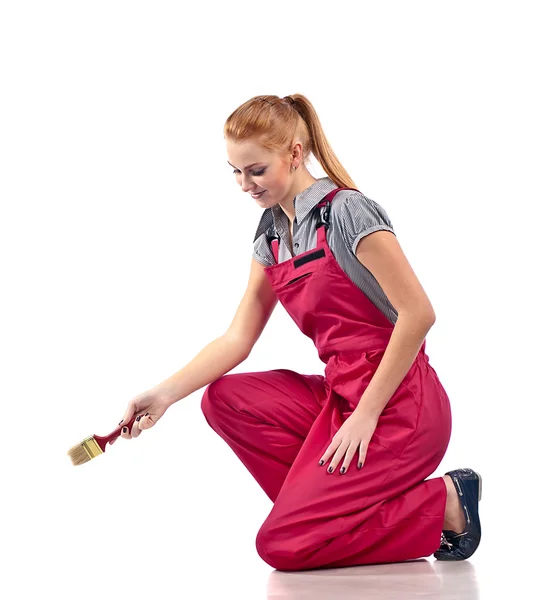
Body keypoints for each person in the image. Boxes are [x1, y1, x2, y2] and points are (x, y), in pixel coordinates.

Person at [112, 94, 482, 569]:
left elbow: (418, 315)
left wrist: (366, 415)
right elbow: (237, 339)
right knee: (223, 399)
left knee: (283, 547)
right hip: (340, 395)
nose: (245, 183)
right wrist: (164, 394)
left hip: (400, 406)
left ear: (293, 152)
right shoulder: (269, 235)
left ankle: (445, 503)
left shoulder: (348, 212)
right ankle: (340, 510)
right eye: (235, 171)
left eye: (256, 170)